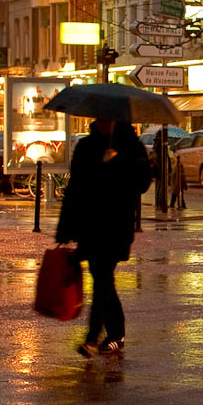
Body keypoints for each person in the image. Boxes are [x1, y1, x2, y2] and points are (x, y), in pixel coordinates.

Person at [54, 116, 153, 358]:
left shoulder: (131, 146)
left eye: (107, 119)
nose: (101, 123)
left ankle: (92, 338)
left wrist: (118, 162)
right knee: (102, 277)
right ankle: (116, 333)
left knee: (103, 277)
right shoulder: (86, 146)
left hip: (116, 225)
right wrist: (65, 228)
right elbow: (75, 189)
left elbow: (141, 182)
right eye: (100, 119)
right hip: (90, 224)